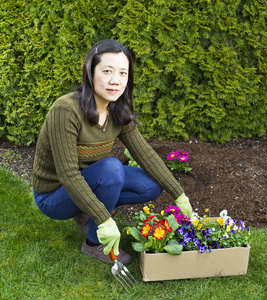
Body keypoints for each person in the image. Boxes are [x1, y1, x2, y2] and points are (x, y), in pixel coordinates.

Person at [32, 39, 193, 265]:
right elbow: (68, 174)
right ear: (90, 71)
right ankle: (93, 242)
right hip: (53, 195)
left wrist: (179, 194)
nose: (115, 81)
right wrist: (104, 221)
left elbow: (144, 154)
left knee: (151, 185)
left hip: (86, 183)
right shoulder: (66, 110)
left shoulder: (117, 109)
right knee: (111, 168)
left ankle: (87, 211)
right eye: (107, 71)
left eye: (122, 73)